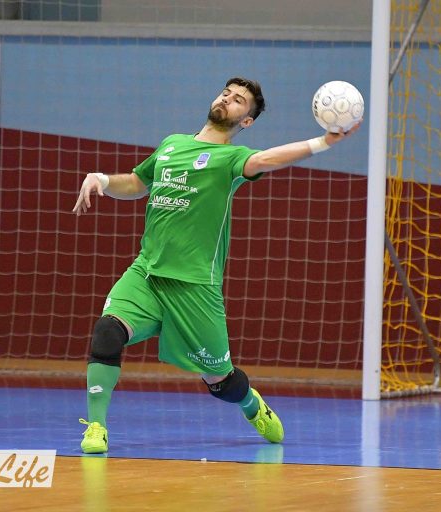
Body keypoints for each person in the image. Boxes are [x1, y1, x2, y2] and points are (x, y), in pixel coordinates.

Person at [73, 77, 360, 454]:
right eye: (226, 93)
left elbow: (265, 160)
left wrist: (323, 142)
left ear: (247, 121)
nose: (228, 99)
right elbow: (138, 184)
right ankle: (96, 427)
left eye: (239, 100)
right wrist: (102, 179)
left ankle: (251, 405)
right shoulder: (172, 144)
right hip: (147, 274)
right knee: (107, 333)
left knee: (220, 382)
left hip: (195, 286)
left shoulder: (232, 159)